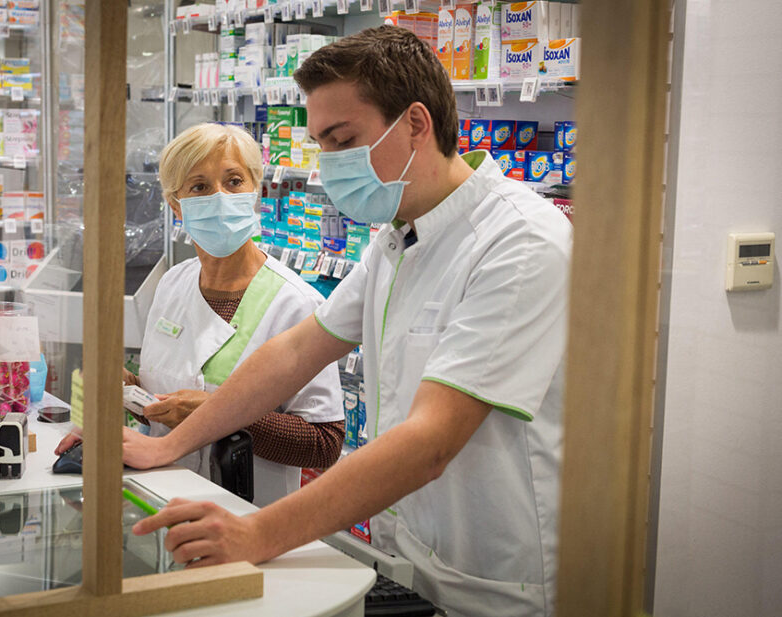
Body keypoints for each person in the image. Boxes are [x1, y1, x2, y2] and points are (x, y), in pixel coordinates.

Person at [131, 26, 571, 617]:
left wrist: (258, 533)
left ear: (416, 123)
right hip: (410, 557)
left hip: (494, 581)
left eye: (343, 140)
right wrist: (170, 448)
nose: (331, 164)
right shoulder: (397, 239)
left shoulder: (520, 242)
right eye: (321, 144)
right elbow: (296, 353)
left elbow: (431, 442)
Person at [56, 123, 345, 507]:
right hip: (157, 498)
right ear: (176, 205)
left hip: (245, 514)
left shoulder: (296, 302)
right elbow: (168, 402)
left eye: (234, 181)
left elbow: (323, 444)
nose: (220, 197)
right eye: (199, 187)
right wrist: (128, 391)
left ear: (254, 192)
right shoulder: (173, 283)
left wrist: (217, 415)